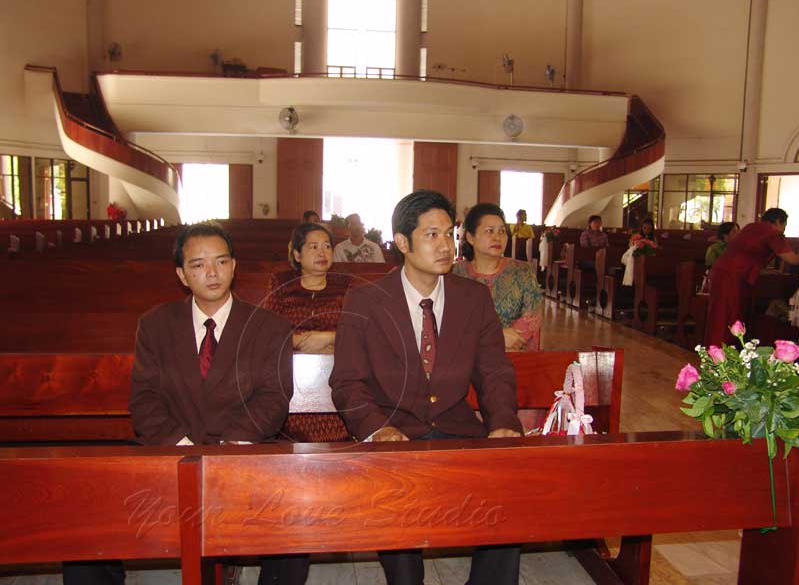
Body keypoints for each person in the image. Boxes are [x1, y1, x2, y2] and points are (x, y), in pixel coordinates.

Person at [61, 223, 309, 585]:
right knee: (84, 518)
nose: (212, 272)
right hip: (167, 456)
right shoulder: (156, 325)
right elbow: (145, 399)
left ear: (234, 266)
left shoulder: (269, 326)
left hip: (242, 457)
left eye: (221, 261)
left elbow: (273, 398)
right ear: (181, 274)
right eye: (198, 265)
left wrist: (225, 450)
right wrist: (183, 449)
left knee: (297, 519)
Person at [330, 190, 522, 585]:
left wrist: (503, 422)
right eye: (431, 235)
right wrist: (377, 429)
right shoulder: (366, 300)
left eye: (449, 234)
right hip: (395, 431)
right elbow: (348, 382)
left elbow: (494, 371)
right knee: (395, 494)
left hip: (456, 429)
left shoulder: (473, 298)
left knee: (507, 486)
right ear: (402, 242)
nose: (446, 246)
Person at [453, 203, 543, 351]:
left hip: (513, 354)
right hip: (466, 356)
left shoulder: (523, 271)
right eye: (490, 231)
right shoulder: (455, 274)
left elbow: (532, 316)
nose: (497, 237)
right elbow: (449, 323)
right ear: (470, 237)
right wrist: (497, 338)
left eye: (502, 231)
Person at [704, 208, 799, 347]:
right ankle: (720, 354)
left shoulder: (751, 227)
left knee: (718, 315)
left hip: (721, 271)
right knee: (728, 316)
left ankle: (714, 352)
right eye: (784, 226)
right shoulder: (772, 233)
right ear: (778, 222)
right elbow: (793, 260)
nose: (784, 230)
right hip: (733, 276)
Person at [266, 222, 350, 353]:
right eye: (314, 247)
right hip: (289, 358)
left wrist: (328, 338)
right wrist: (301, 342)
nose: (322, 253)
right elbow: (267, 331)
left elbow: (357, 331)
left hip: (335, 358)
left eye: (327, 246)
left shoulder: (344, 285)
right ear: (297, 255)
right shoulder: (281, 283)